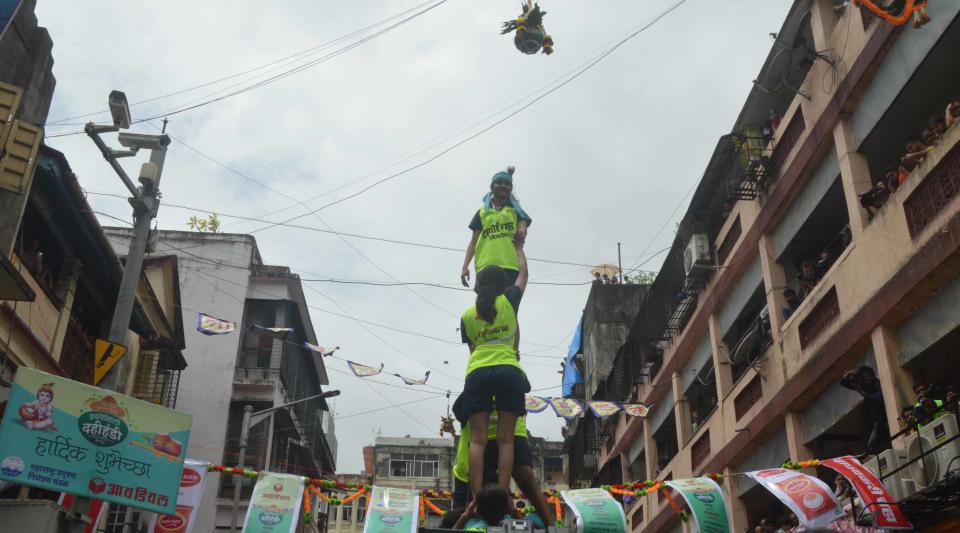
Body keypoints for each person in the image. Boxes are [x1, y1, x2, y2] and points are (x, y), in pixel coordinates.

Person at [460, 245, 530, 499]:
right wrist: (519, 248)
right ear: (504, 286)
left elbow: (473, 350)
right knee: (506, 439)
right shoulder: (510, 301)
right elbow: (524, 274)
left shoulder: (466, 316)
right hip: (509, 371)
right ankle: (502, 494)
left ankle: (478, 497)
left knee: (478, 439)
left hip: (477, 372)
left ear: (478, 288)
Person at [451, 396, 554, 527]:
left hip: (485, 475)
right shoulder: (476, 404)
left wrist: (511, 509)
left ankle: (552, 528)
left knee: (528, 485)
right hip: (470, 475)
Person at [461, 167, 531, 289]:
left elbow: (523, 224)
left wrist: (523, 225)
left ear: (511, 188)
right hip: (485, 266)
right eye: (499, 183)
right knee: (486, 305)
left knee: (506, 306)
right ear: (492, 187)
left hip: (510, 266)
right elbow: (473, 242)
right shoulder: (482, 212)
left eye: (507, 184)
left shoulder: (516, 212)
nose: (503, 186)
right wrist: (465, 266)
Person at [840, 366, 887, 454]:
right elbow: (843, 383)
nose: (866, 379)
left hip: (884, 417)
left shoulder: (877, 384)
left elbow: (877, 400)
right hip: (877, 420)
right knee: (873, 444)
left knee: (874, 443)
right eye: (864, 377)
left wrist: (860, 391)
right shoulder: (864, 385)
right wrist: (849, 374)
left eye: (867, 376)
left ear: (873, 375)